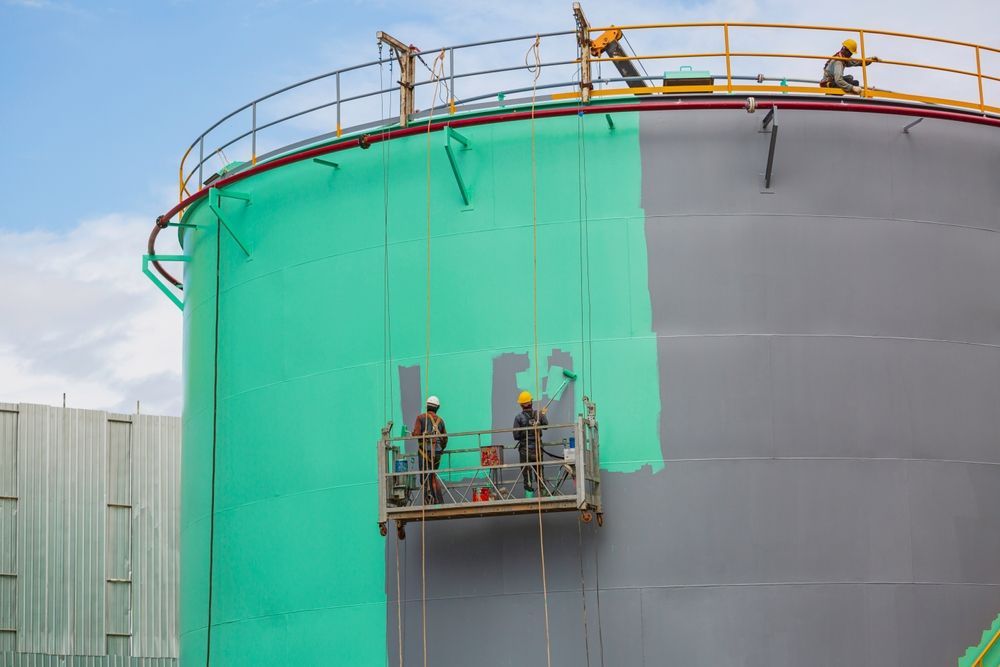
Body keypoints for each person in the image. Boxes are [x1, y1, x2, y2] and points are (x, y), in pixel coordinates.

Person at [412, 395, 448, 504]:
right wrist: (441, 450)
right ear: (437, 408)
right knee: (433, 475)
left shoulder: (421, 418)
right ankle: (439, 501)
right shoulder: (441, 421)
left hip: (424, 452)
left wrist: (414, 434)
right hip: (436, 453)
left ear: (427, 406)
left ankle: (429, 501)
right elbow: (445, 438)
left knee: (424, 477)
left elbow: (417, 434)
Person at [513, 390, 548, 496]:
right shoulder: (538, 415)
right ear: (531, 402)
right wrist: (543, 415)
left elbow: (516, 436)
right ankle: (544, 493)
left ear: (521, 405)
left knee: (527, 473)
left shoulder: (518, 418)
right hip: (537, 449)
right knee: (540, 472)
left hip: (525, 450)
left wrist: (525, 432)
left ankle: (529, 497)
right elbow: (546, 425)